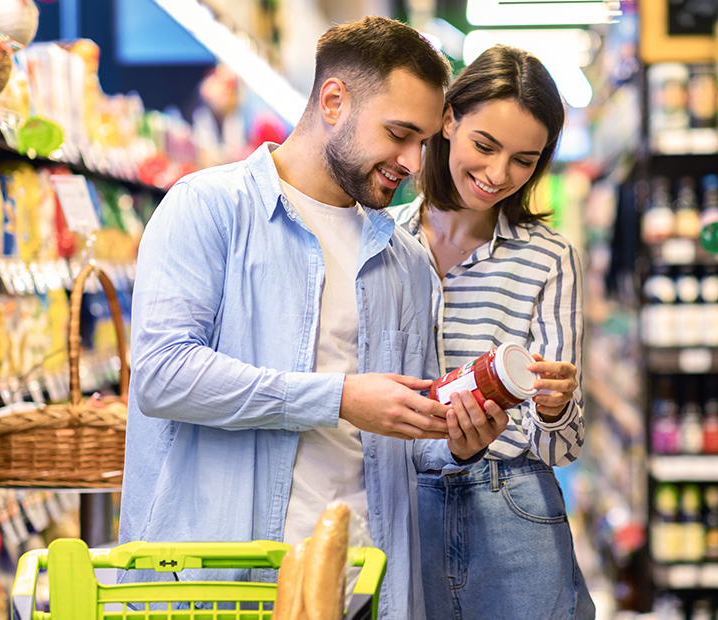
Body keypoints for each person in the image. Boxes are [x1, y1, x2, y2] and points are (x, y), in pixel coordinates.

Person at [119, 17, 509, 620]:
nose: (413, 160)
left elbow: (407, 442)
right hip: (228, 585)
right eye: (400, 133)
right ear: (333, 101)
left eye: (426, 142)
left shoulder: (406, 262)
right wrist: (338, 397)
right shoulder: (208, 208)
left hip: (366, 587)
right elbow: (162, 375)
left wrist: (457, 443)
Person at [390, 45, 593, 619]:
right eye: (485, 145)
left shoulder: (550, 259)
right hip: (406, 506)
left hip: (515, 507)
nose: (498, 174)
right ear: (448, 119)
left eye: (525, 159)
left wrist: (555, 406)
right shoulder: (383, 243)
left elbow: (562, 448)